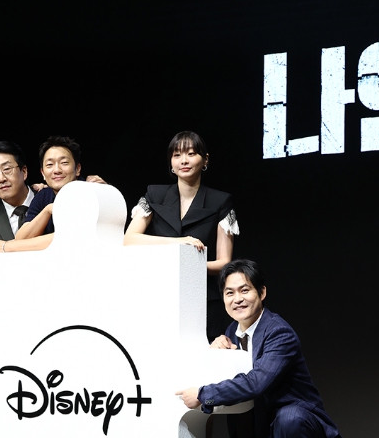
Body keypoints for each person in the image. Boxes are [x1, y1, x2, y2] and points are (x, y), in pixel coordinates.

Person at [176, 260, 341, 438]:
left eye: (244, 290)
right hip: (258, 425)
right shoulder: (232, 331)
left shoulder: (279, 332)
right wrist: (217, 353)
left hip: (293, 425)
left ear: (262, 292)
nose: (237, 299)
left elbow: (256, 382)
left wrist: (202, 395)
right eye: (230, 293)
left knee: (289, 418)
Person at [124, 131, 239, 342]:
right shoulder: (154, 195)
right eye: (177, 155)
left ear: (205, 160)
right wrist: (179, 245)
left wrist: (188, 264)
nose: (184, 161)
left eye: (191, 154)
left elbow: (224, 262)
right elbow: (129, 239)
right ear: (171, 162)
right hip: (158, 295)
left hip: (203, 299)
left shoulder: (221, 201)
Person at [14, 136, 105, 247]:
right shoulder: (43, 196)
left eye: (64, 162)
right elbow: (20, 239)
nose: (57, 170)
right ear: (43, 173)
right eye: (49, 165)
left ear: (78, 169)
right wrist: (48, 210)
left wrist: (6, 246)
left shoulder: (91, 191)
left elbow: (73, 237)